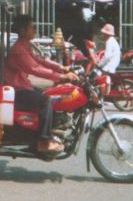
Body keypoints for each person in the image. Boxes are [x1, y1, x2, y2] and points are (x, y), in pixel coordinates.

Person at [6, 14, 79, 155]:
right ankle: (43, 142)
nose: (35, 30)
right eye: (32, 27)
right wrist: (62, 77)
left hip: (23, 86)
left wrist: (62, 68)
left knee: (51, 93)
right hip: (17, 90)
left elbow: (41, 61)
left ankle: (45, 134)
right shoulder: (18, 49)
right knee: (46, 100)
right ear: (22, 30)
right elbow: (34, 68)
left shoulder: (25, 45)